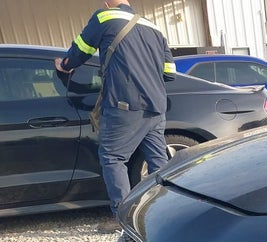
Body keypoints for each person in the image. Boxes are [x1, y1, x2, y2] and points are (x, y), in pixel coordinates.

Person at [55, 1, 176, 228]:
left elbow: (80, 52)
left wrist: (65, 65)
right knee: (158, 161)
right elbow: (169, 72)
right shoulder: (153, 26)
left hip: (125, 105)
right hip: (156, 106)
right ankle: (165, 214)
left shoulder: (104, 17)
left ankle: (125, 220)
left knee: (113, 158)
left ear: (107, 2)